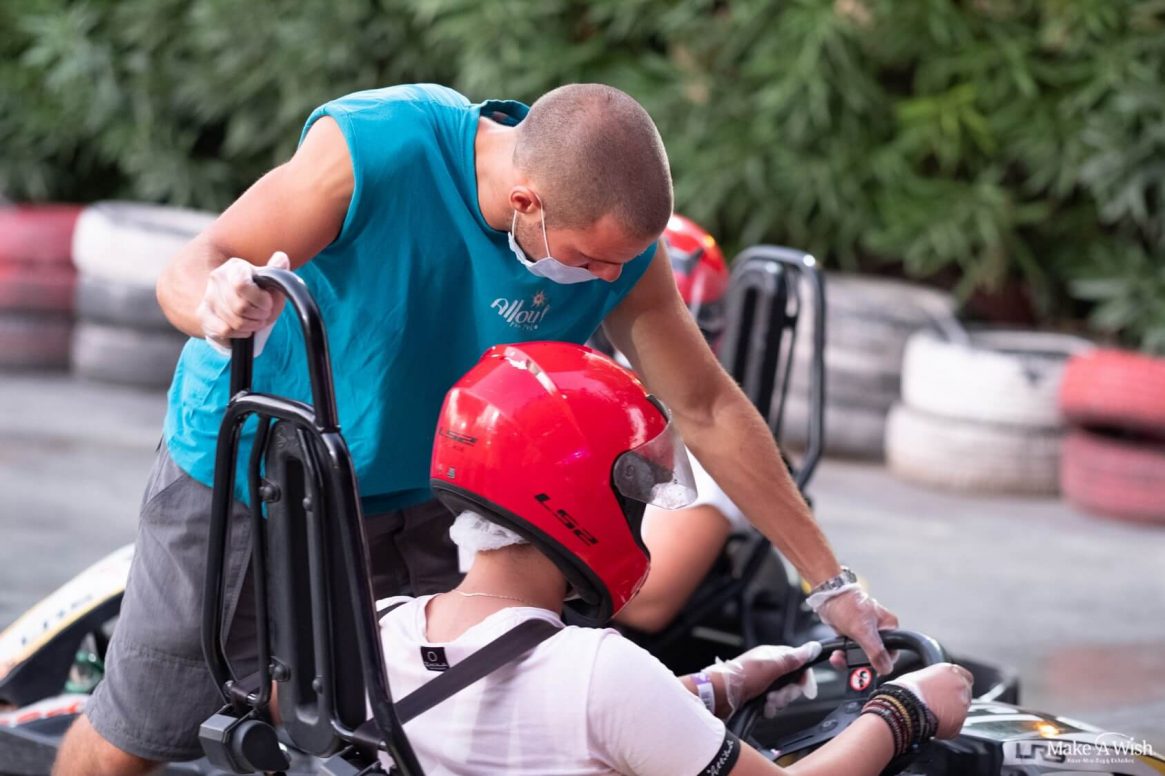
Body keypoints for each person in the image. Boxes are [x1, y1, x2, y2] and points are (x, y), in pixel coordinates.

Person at [55, 83, 899, 775]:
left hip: (430, 495)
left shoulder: (616, 253)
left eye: (619, 263)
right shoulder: (378, 148)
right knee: (144, 731)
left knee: (429, 734)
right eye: (592, 260)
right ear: (527, 202)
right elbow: (199, 261)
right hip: (258, 473)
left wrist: (829, 583)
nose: (608, 280)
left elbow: (707, 406)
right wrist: (216, 303)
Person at [376, 341, 973, 775]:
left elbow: (558, 722)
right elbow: (590, 703)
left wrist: (719, 685)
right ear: (579, 498)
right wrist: (905, 710)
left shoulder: (381, 629)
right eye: (635, 494)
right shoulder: (595, 670)